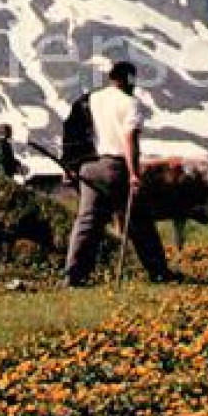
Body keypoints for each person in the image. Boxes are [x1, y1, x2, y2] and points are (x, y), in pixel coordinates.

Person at [63, 61, 171, 287]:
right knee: (139, 221)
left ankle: (73, 276)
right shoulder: (130, 103)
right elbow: (130, 139)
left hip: (89, 167)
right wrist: (134, 173)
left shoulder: (91, 99)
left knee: (87, 221)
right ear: (129, 79)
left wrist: (71, 167)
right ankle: (159, 272)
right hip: (116, 167)